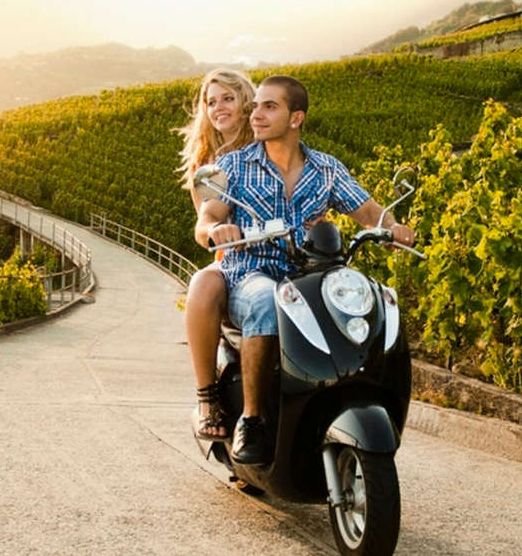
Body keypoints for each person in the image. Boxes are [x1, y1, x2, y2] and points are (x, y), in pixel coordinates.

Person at [194, 75, 415, 465]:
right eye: (255, 106)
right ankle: (253, 419)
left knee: (368, 299)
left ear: (295, 118)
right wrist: (215, 229)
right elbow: (207, 217)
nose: (255, 115)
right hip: (252, 275)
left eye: (268, 107)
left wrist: (392, 226)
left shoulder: (326, 169)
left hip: (311, 279)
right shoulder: (233, 166)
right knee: (265, 301)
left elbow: (368, 211)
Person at [178, 68, 257, 441]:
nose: (219, 107)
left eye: (227, 98)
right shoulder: (207, 165)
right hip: (234, 260)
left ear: (246, 101)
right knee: (203, 285)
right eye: (211, 101)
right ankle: (207, 398)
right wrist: (215, 232)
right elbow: (204, 223)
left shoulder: (269, 145)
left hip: (280, 254)